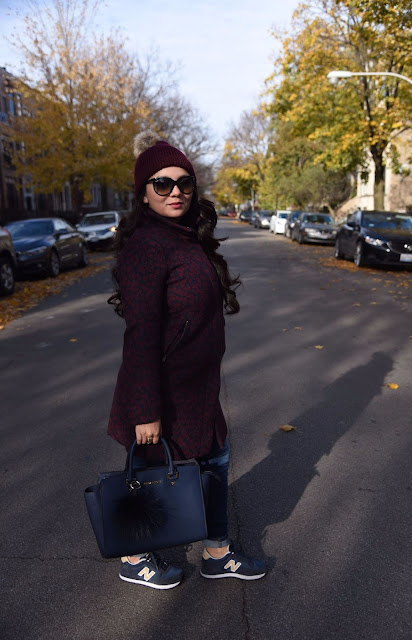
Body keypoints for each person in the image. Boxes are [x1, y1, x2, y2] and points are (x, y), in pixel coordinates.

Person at [107, 132, 266, 589]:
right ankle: (134, 556)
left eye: (184, 182)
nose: (175, 191)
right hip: (161, 390)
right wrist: (145, 410)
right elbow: (140, 334)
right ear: (144, 193)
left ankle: (217, 552)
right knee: (150, 473)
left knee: (215, 460)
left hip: (197, 386)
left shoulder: (188, 238)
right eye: (162, 183)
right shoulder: (146, 247)